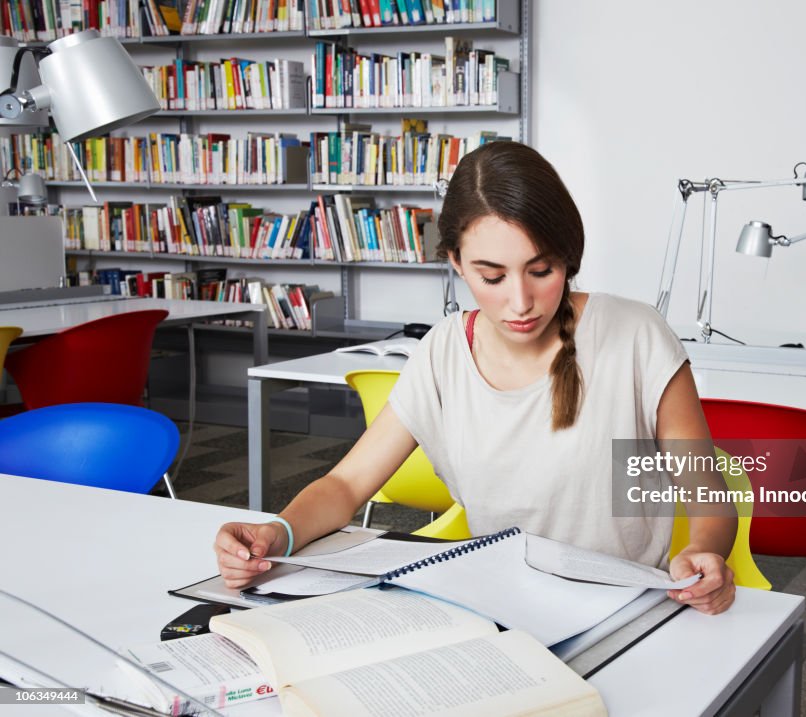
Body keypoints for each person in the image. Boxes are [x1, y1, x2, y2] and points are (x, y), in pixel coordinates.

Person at [215, 141, 738, 614]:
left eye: (542, 270)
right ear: (457, 264)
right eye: (491, 276)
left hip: (621, 609)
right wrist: (277, 532)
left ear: (569, 257)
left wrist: (703, 550)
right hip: (500, 607)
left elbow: (708, 493)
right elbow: (346, 484)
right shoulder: (443, 350)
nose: (520, 302)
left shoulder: (635, 334)